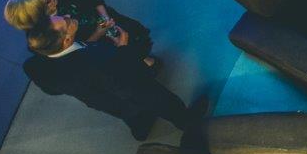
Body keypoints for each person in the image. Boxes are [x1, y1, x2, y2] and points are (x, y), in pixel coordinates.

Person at [23, 14, 206, 141]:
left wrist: (95, 36)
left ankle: (141, 127)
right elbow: (129, 78)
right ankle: (187, 121)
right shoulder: (96, 61)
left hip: (103, 100)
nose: (68, 17)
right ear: (66, 40)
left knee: (129, 113)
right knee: (164, 103)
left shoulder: (33, 66)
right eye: (66, 21)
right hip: (132, 90)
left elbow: (51, 90)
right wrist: (123, 47)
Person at [4, 0, 156, 68]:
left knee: (134, 37)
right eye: (47, 1)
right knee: (124, 59)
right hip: (98, 47)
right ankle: (141, 63)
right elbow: (75, 56)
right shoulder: (42, 39)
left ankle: (144, 58)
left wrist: (106, 18)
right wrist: (98, 33)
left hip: (108, 21)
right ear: (41, 16)